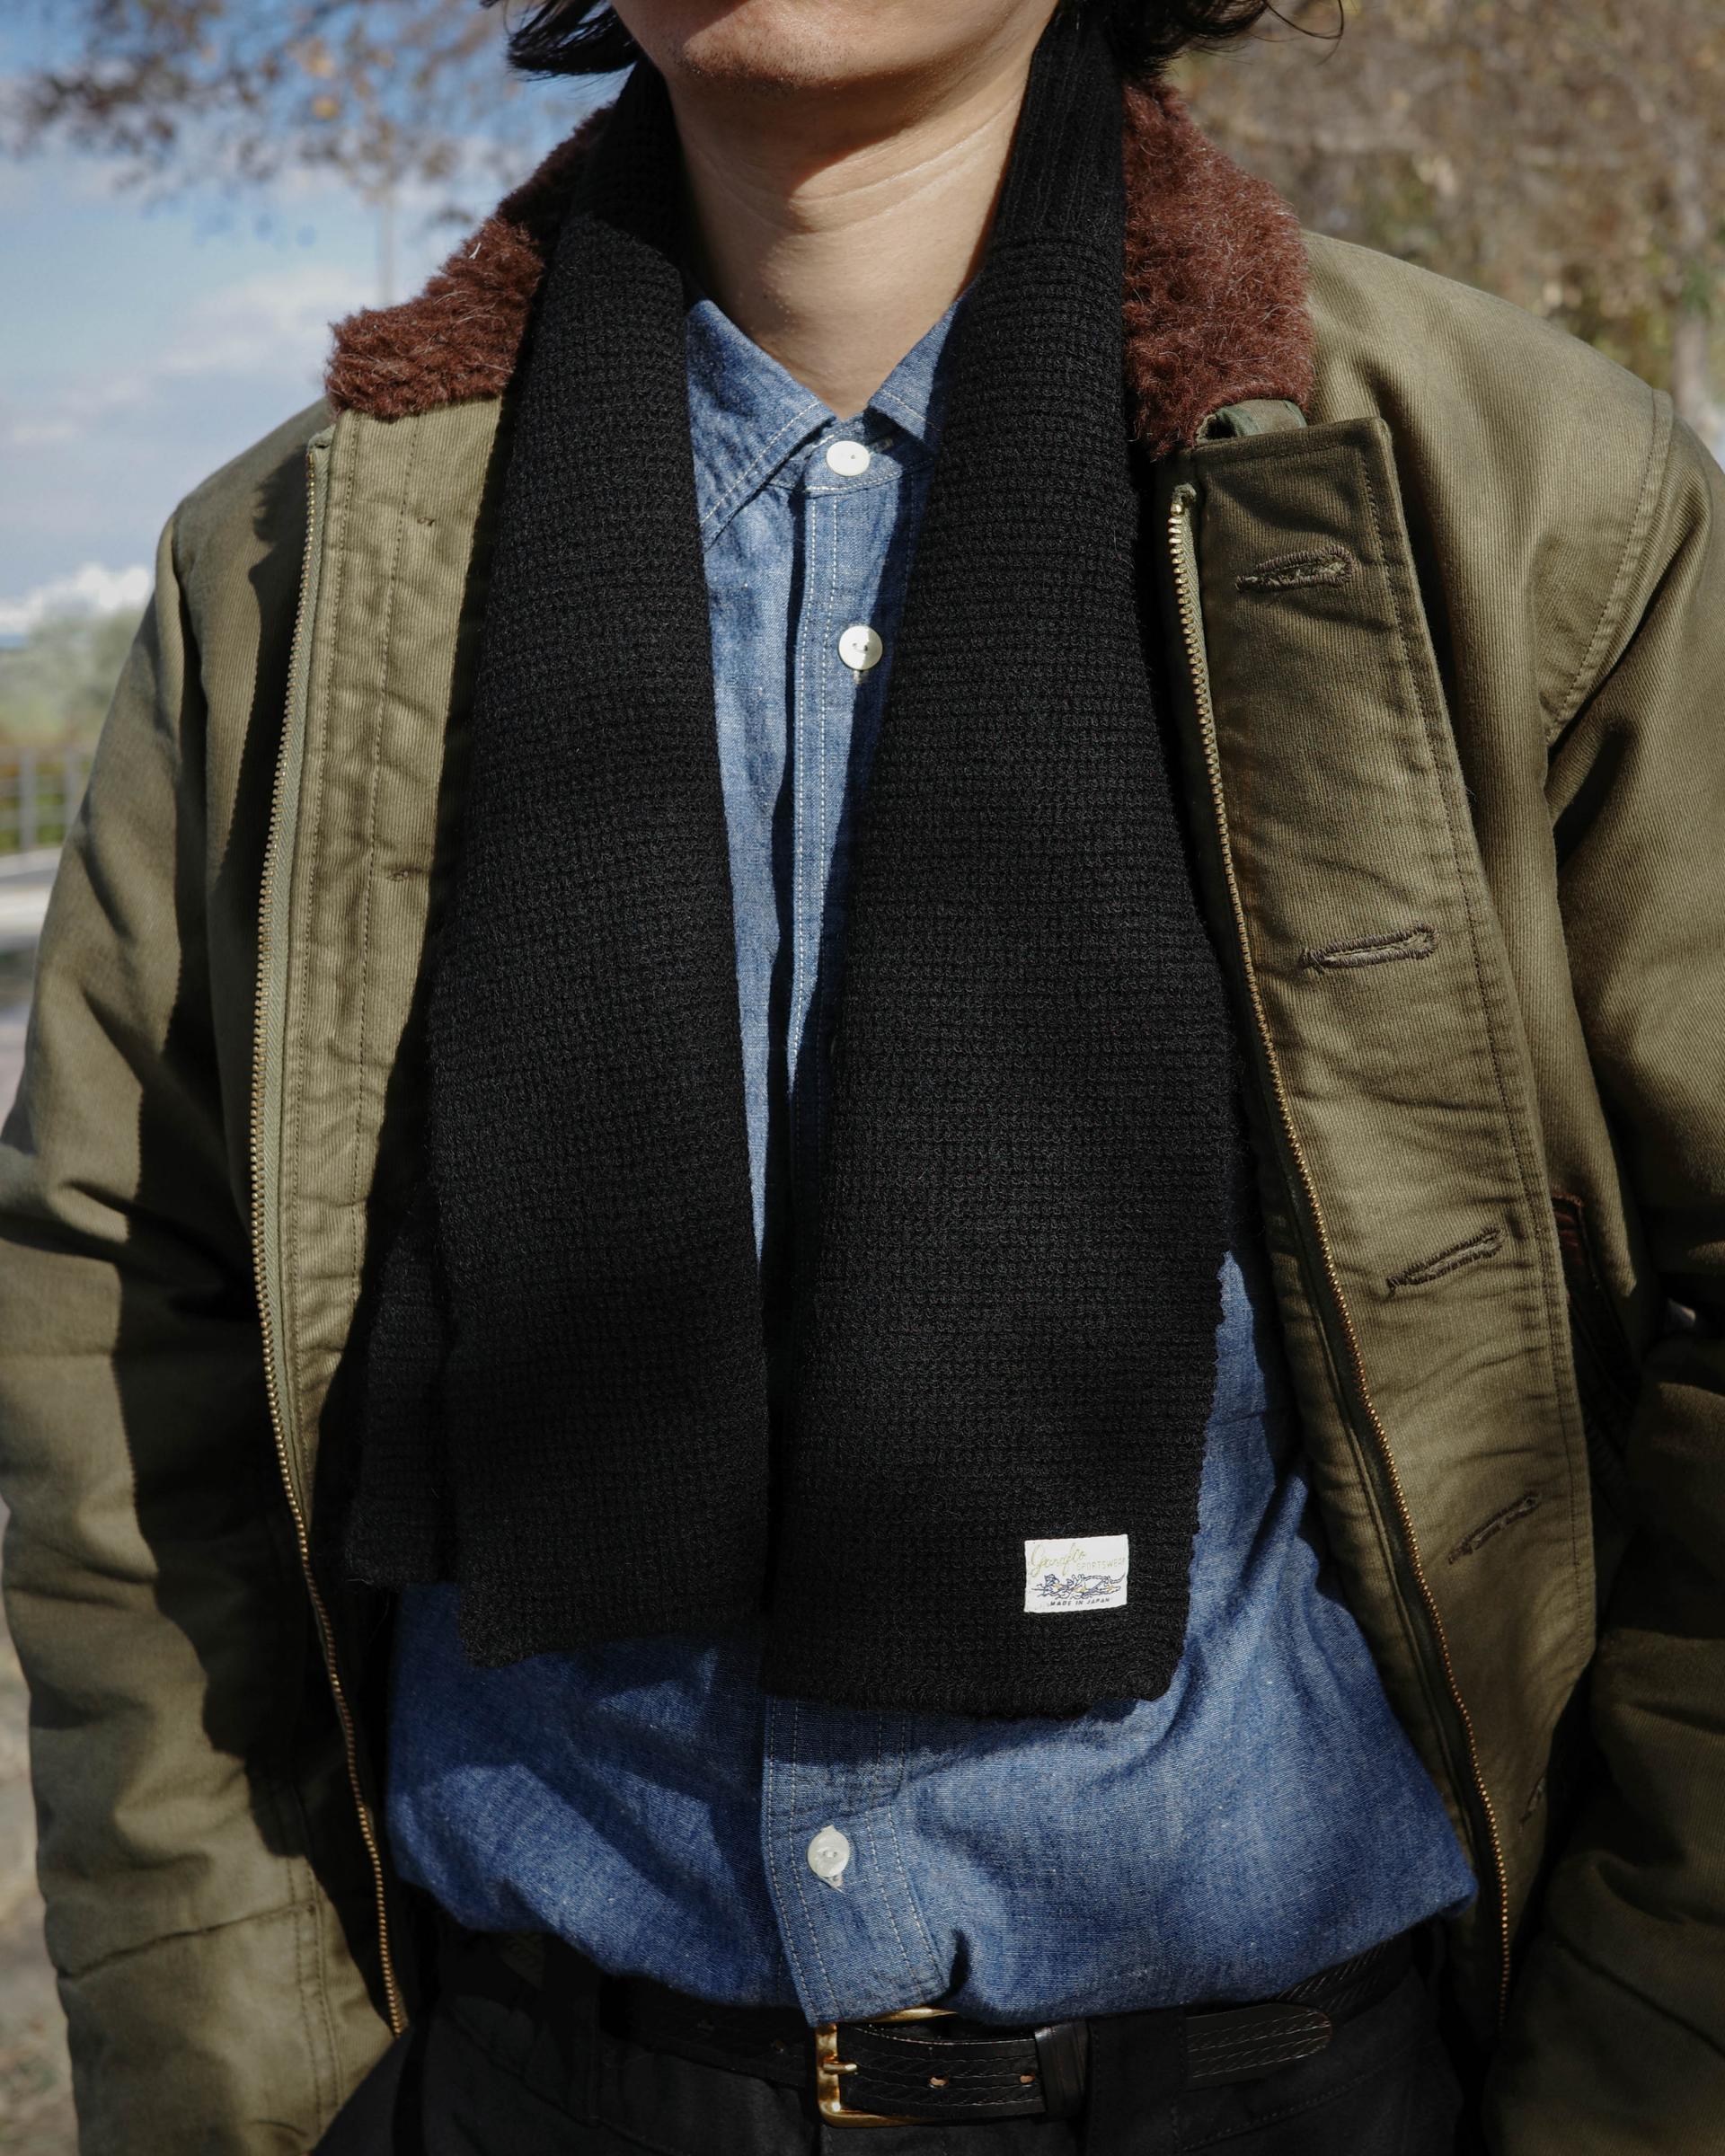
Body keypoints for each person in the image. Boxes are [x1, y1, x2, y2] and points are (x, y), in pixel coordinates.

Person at [0, 0, 1721, 2147]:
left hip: (1303, 2088)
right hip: (528, 2083)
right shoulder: (291, 574)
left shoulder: (1516, 491)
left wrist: (1646, 2080)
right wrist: (250, 2090)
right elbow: (119, 1344)